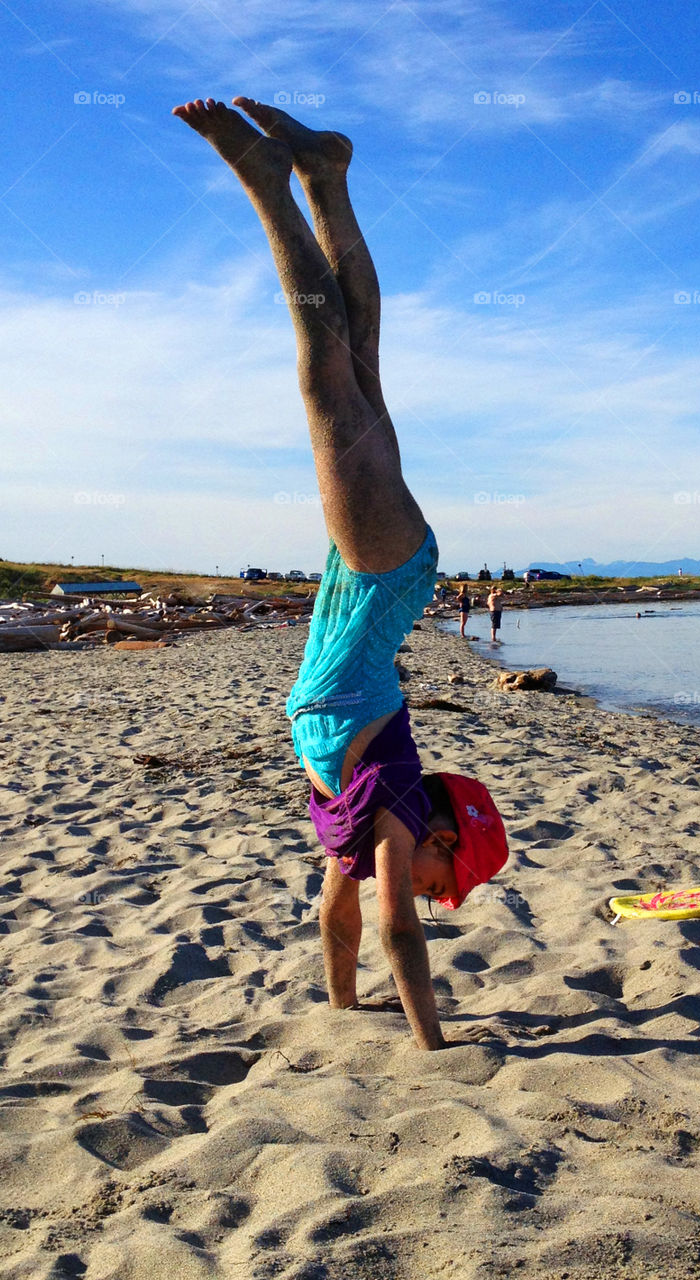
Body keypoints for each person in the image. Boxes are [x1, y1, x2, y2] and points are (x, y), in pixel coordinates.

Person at [173, 97, 508, 1051]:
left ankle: (325, 175)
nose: (442, 899)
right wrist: (432, 1045)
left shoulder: (353, 830)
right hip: (385, 567)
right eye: (455, 884)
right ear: (443, 839)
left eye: (450, 896)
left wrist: (341, 1010)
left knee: (353, 356)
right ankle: (269, 187)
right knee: (325, 375)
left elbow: (343, 915)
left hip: (373, 573)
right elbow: (397, 926)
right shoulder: (400, 812)